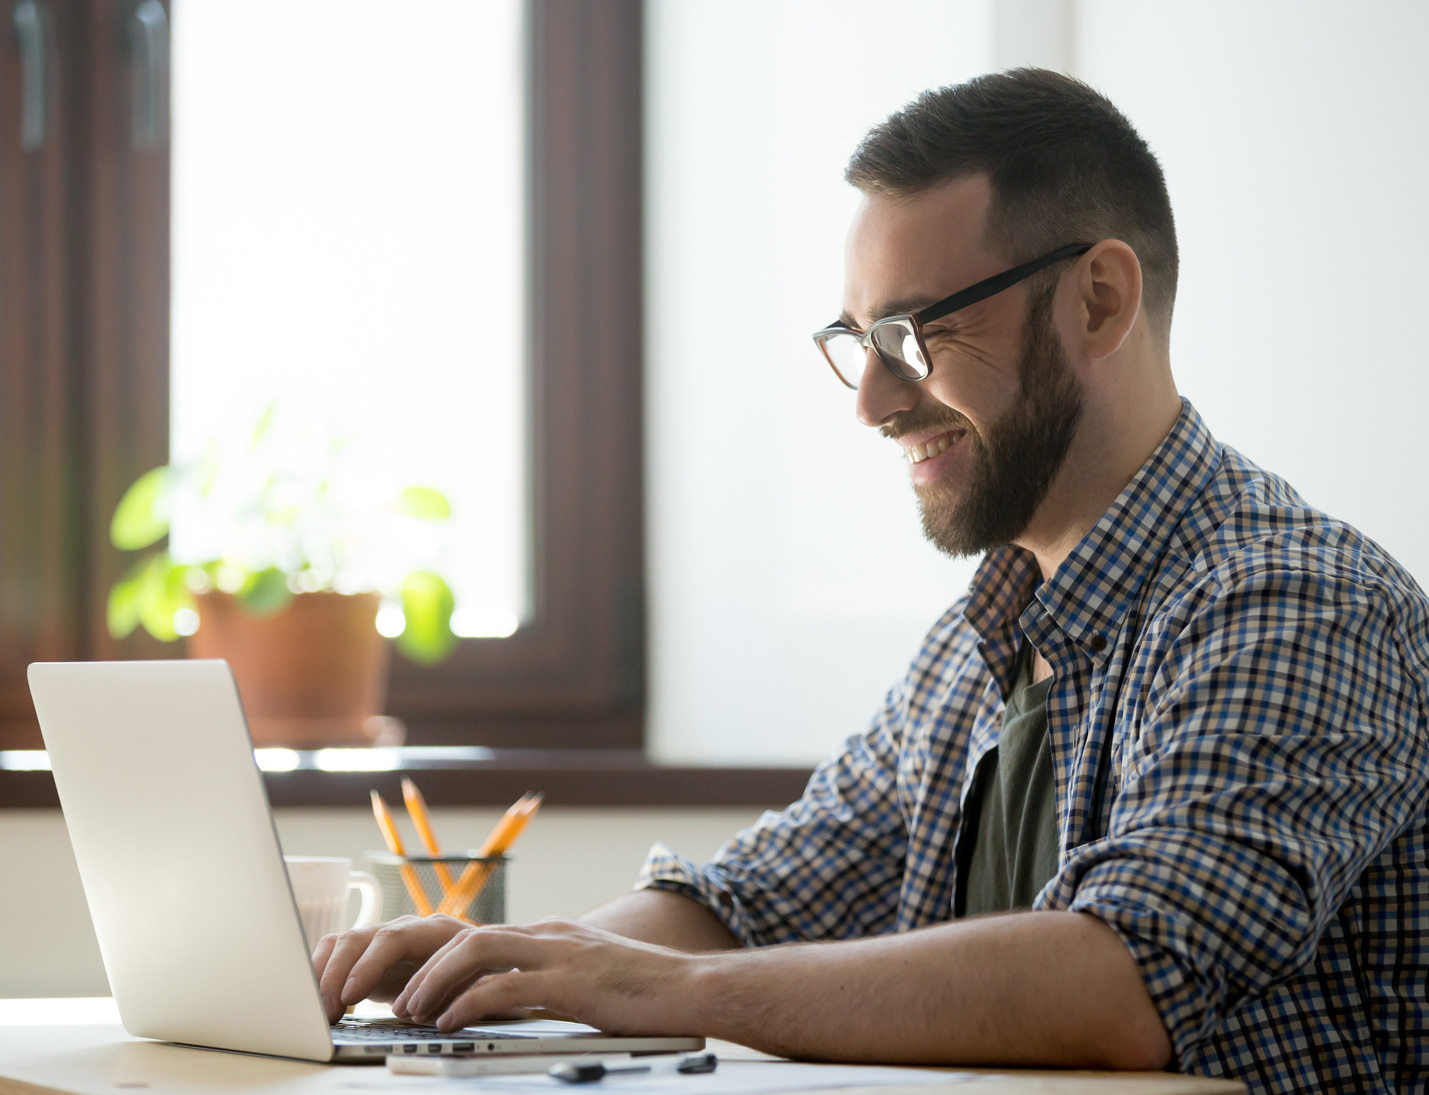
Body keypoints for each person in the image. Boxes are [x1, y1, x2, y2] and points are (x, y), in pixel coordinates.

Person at [312, 70, 1429, 1093]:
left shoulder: (1292, 603)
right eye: (856, 340)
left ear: (1097, 299)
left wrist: (666, 995)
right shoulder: (977, 640)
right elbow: (749, 906)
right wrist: (504, 967)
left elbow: (1125, 979)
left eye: (913, 332)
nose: (872, 401)